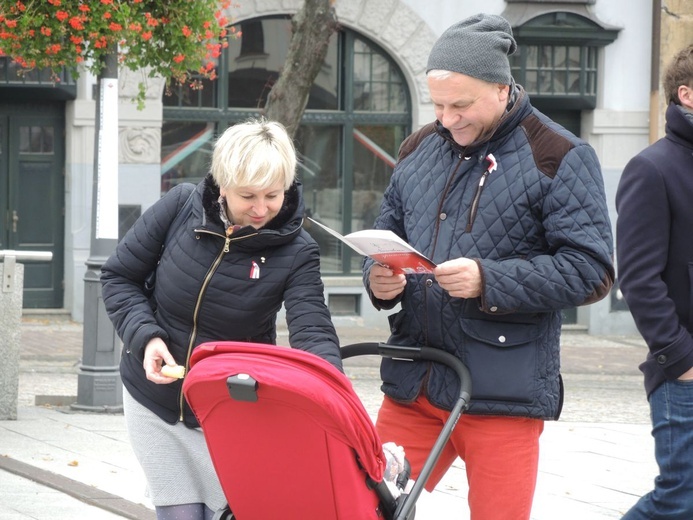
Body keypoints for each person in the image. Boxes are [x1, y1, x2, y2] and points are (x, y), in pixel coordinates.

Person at [362, 13, 614, 520]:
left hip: (503, 389)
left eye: (461, 104)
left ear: (502, 89)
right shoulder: (417, 148)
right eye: (438, 104)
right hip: (417, 382)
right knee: (360, 505)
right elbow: (384, 239)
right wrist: (379, 281)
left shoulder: (560, 154)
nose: (448, 118)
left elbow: (592, 270)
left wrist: (488, 280)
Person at [101, 118, 343, 520]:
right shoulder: (180, 205)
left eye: (273, 195)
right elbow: (119, 276)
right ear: (222, 183)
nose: (261, 209)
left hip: (230, 408)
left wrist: (334, 394)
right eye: (248, 195)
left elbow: (312, 327)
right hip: (154, 399)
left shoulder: (298, 250)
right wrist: (146, 338)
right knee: (180, 514)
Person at [615, 43, 693, 519]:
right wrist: (681, 361)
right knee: (681, 498)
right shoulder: (652, 168)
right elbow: (639, 279)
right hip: (685, 372)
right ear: (687, 94)